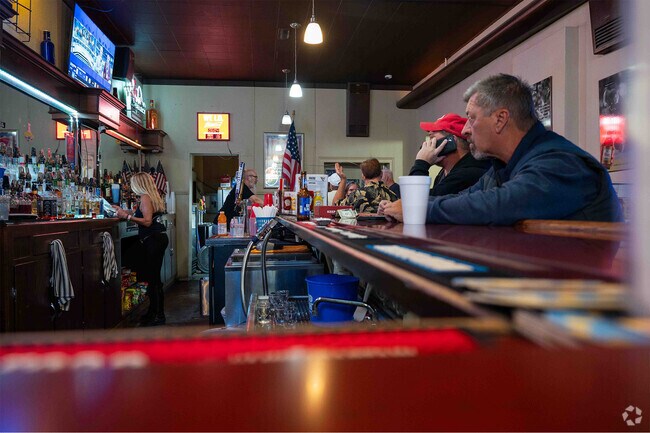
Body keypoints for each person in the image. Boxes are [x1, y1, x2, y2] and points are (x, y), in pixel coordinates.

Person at [380, 73, 622, 224]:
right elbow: (466, 198)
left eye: (471, 118)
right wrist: (410, 208)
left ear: (500, 119)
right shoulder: (501, 167)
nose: (465, 130)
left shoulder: (561, 162)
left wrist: (417, 209)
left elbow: (500, 205)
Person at [113, 172, 169, 326]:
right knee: (153, 278)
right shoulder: (150, 196)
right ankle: (154, 312)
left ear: (139, 184)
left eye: (132, 184)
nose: (131, 187)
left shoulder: (145, 197)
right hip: (158, 238)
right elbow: (143, 213)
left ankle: (158, 315)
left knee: (153, 279)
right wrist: (125, 211)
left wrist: (127, 217)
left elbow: (147, 221)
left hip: (153, 240)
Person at [409, 113, 490, 196]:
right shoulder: (444, 173)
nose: (426, 144)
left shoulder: (467, 174)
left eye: (432, 138)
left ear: (451, 141)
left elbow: (417, 200)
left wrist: (421, 163)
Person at [332, 159, 397, 213]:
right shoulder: (393, 195)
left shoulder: (359, 194)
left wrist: (343, 179)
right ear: (381, 174)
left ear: (363, 176)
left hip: (363, 228)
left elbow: (335, 208)